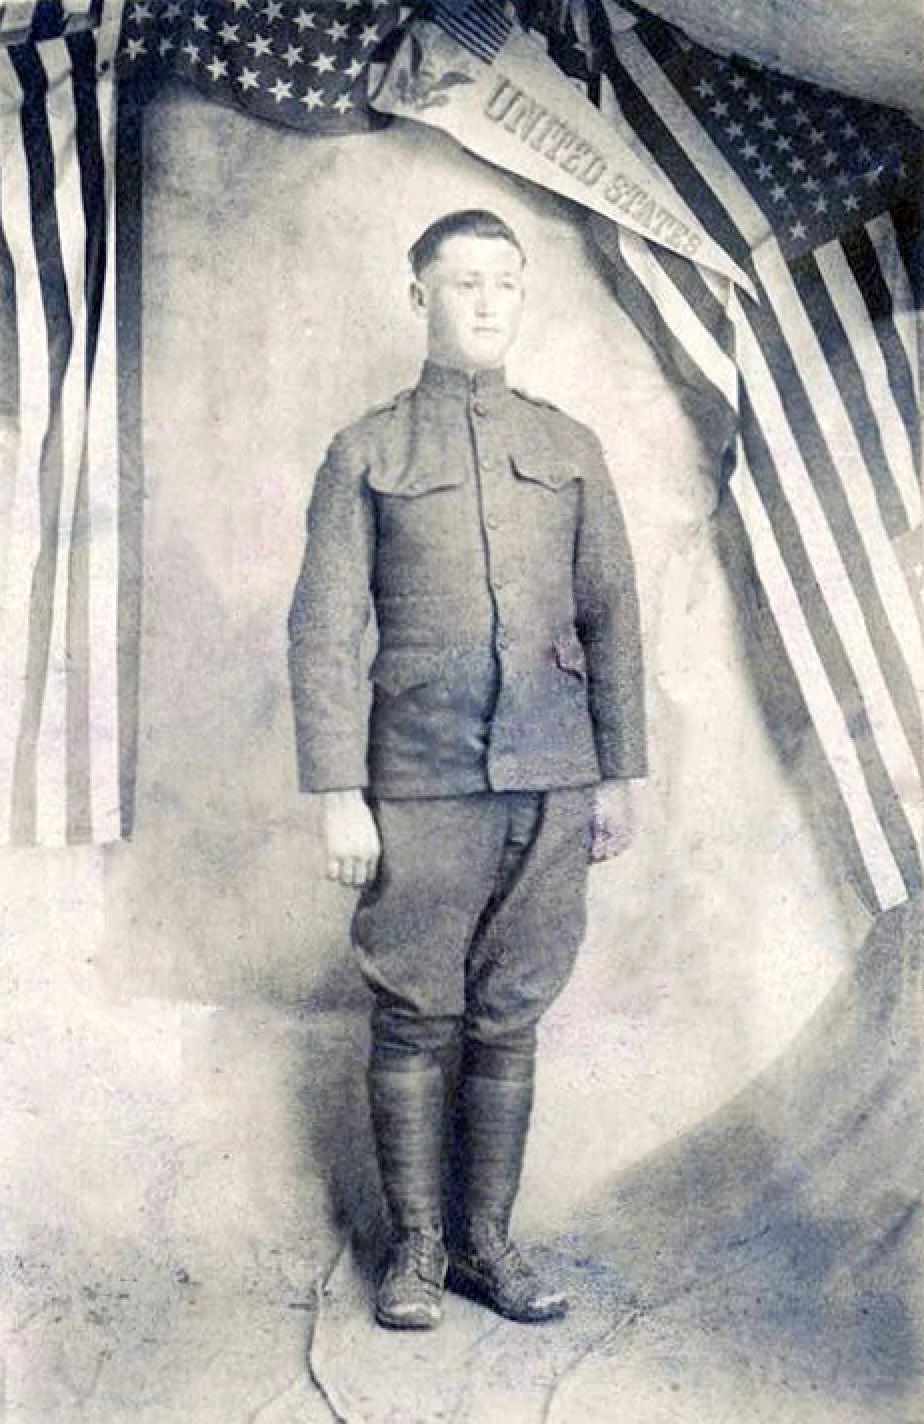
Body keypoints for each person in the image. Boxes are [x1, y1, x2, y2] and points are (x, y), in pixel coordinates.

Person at [288, 209, 647, 1331]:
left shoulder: (570, 445)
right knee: (413, 1011)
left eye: (506, 283)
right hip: (420, 777)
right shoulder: (368, 451)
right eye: (464, 284)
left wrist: (618, 774)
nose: (488, 303)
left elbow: (613, 615)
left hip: (552, 773)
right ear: (420, 298)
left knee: (511, 1013)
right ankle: (418, 1249)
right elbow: (322, 631)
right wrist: (338, 792)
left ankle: (487, 1244)